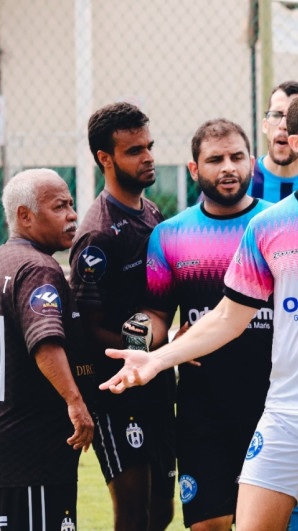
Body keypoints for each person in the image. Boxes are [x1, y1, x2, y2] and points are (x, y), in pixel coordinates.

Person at [100, 89, 298, 531]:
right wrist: (151, 355)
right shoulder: (265, 226)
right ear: (297, 141)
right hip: (278, 409)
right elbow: (222, 315)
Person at [142, 118, 298, 530]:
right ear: (194, 169)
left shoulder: (281, 223)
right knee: (209, 524)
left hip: (279, 401)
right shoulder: (169, 235)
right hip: (202, 406)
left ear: (252, 163)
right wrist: (144, 340)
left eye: (237, 157)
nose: (228, 167)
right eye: (215, 159)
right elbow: (155, 313)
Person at [69, 102, 176, 530]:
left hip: (156, 380)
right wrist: (143, 353)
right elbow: (87, 328)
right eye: (134, 150)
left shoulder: (152, 213)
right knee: (133, 513)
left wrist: (167, 349)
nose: (148, 157)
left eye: (149, 146)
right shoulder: (97, 235)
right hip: (117, 392)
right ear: (105, 158)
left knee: (163, 512)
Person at [0, 169, 94, 530]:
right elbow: (45, 340)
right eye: (59, 207)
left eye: (71, 204)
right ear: (25, 215)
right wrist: (75, 401)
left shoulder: (5, 261)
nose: (72, 215)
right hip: (33, 453)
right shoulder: (39, 268)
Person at [248, 80, 298, 201]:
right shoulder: (242, 181)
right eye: (276, 115)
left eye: (293, 117)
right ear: (265, 125)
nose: (283, 125)